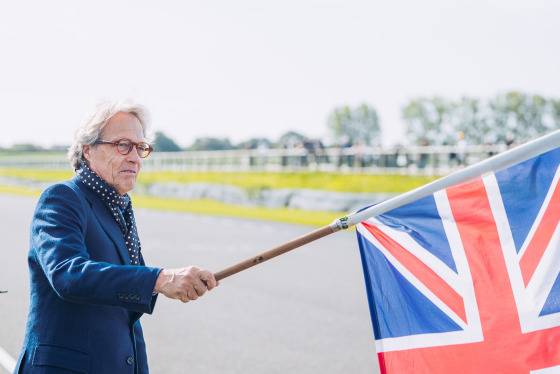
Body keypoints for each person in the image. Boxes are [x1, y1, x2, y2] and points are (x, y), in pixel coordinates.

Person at [14, 99, 218, 373]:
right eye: (123, 145)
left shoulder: (118, 207)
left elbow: (127, 318)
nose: (134, 157)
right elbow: (67, 274)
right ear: (88, 150)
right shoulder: (62, 198)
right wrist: (159, 279)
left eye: (141, 147)